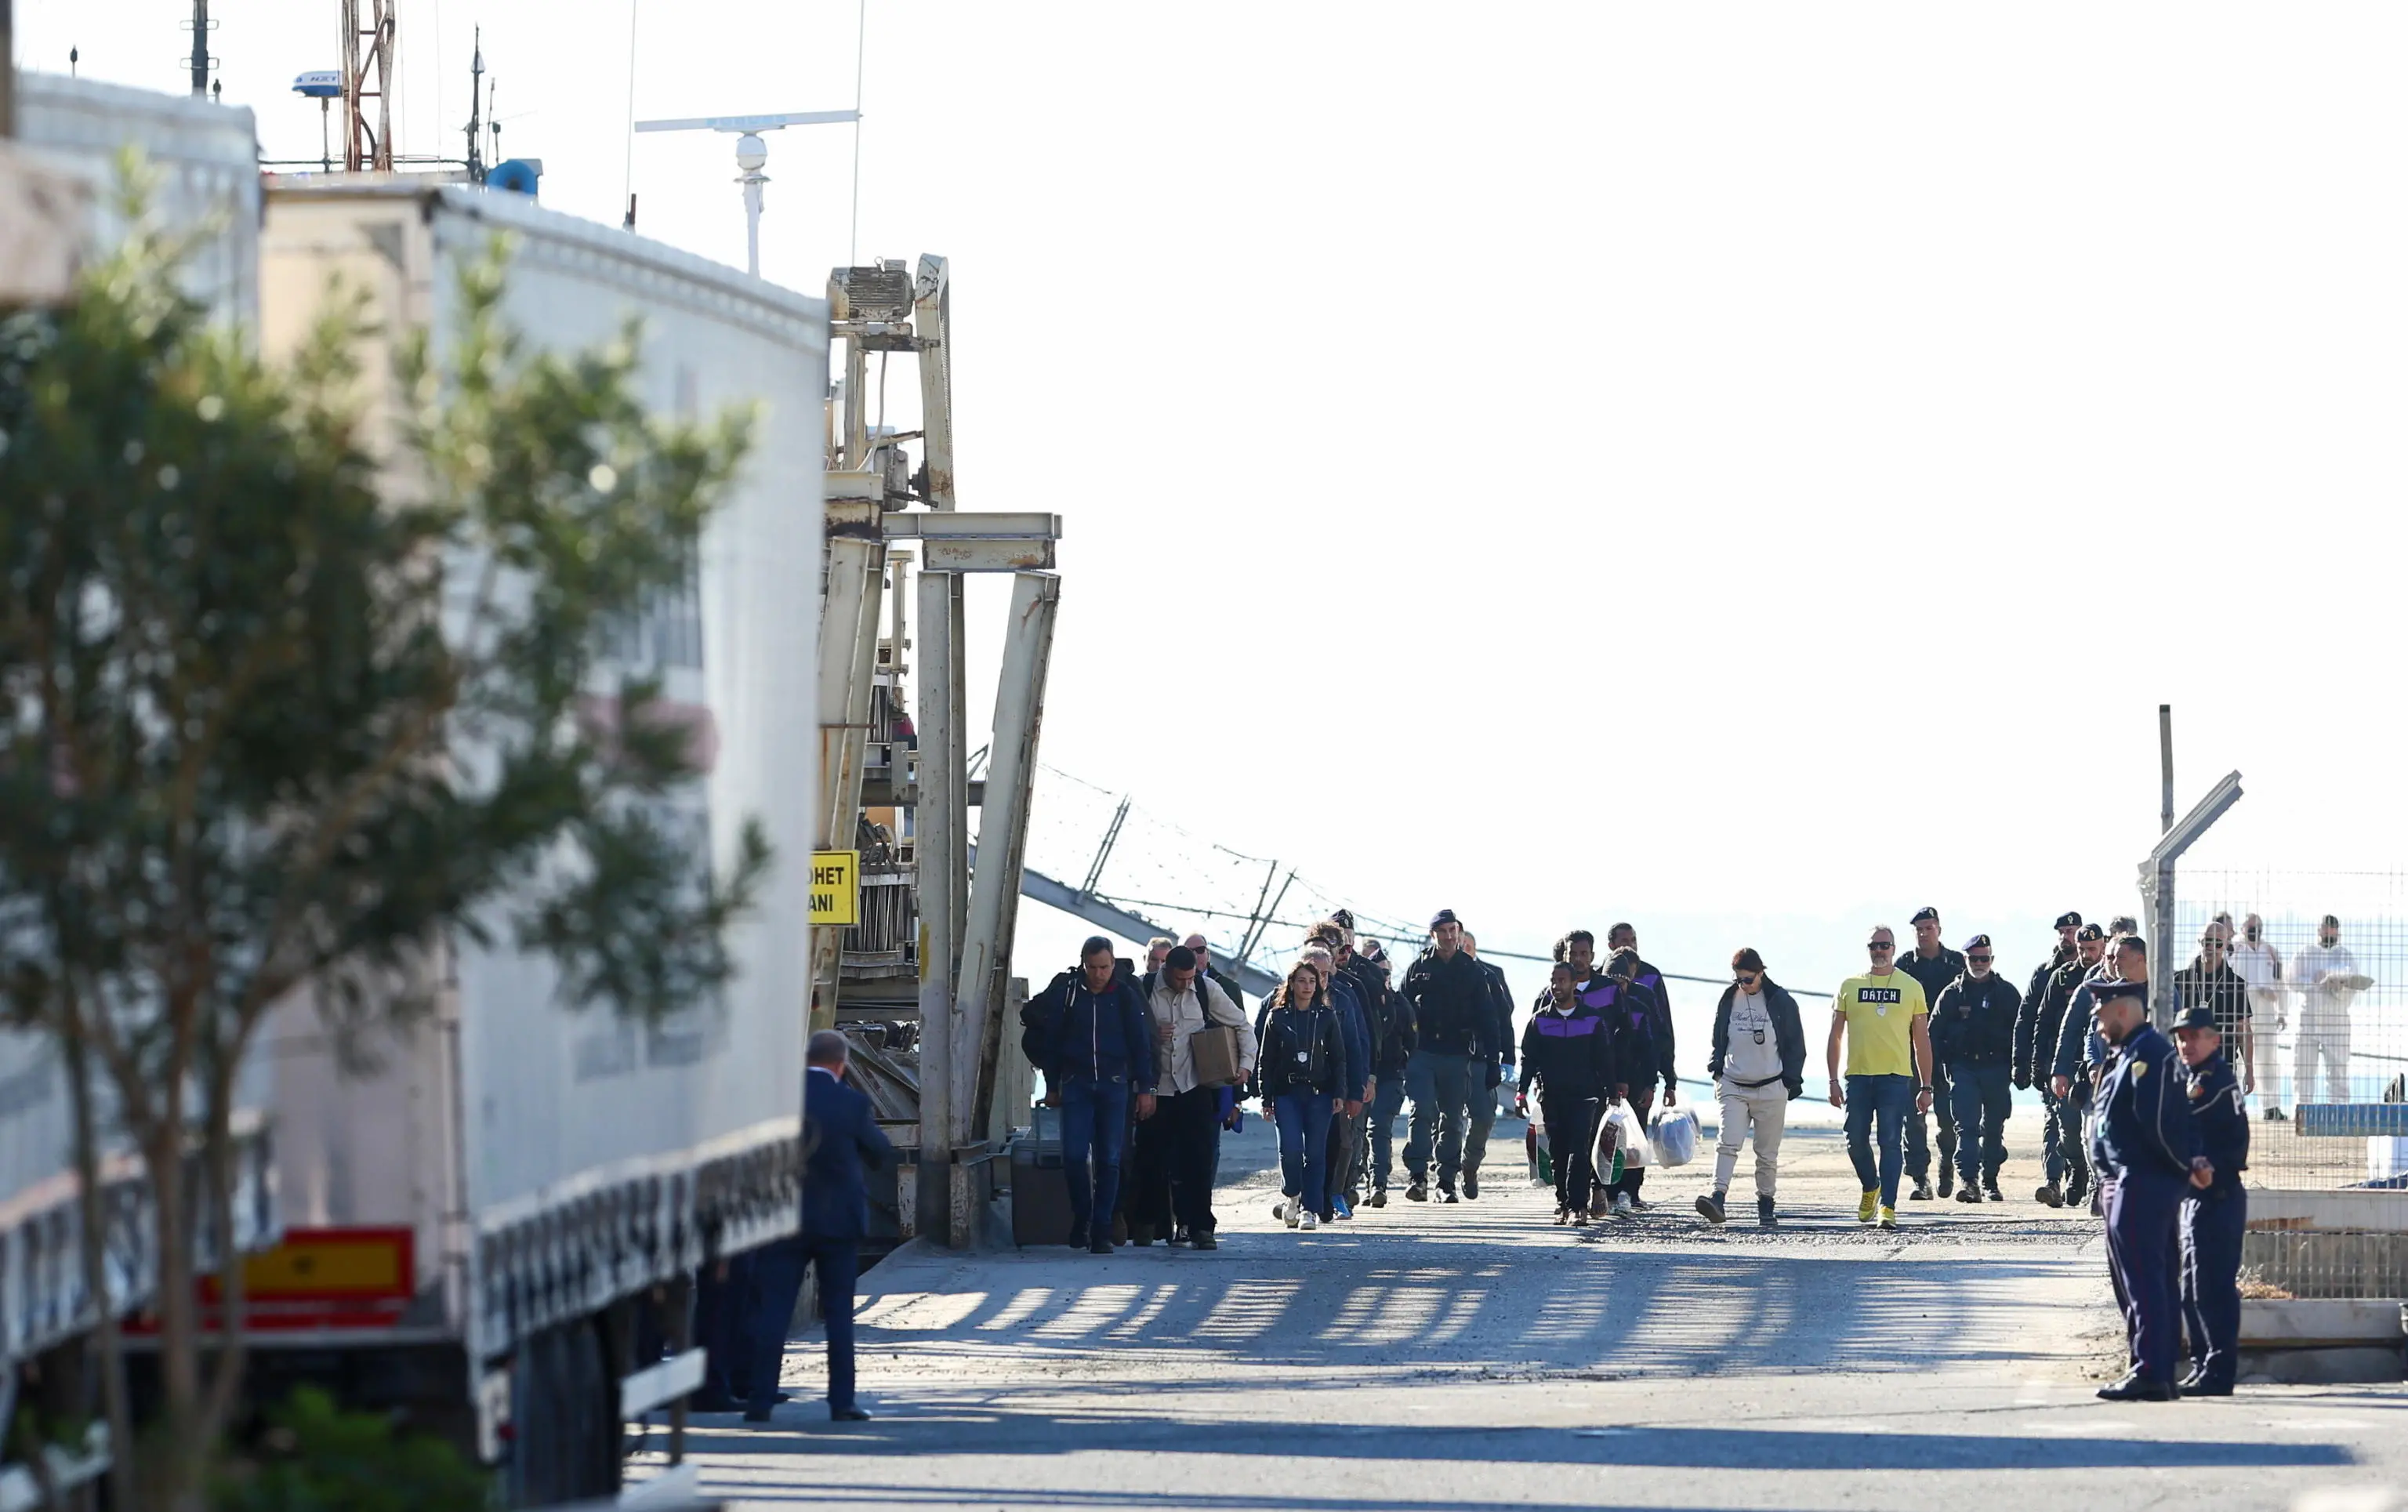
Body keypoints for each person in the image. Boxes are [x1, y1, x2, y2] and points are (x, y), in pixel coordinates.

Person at [742, 1030, 894, 1423]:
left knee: (774, 1312)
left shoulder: (777, 1105)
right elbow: (881, 1155)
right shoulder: (852, 1104)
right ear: (841, 1065)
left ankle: (759, 1401)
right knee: (839, 1314)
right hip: (838, 1223)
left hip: (784, 1219)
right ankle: (841, 1402)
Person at [2089, 979, 2213, 1401]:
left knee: (2146, 1282)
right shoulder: (2129, 1053)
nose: (2100, 1027)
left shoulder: (2149, 1055)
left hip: (2141, 1181)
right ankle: (2154, 1370)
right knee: (2146, 1281)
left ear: (2122, 1011)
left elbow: (2160, 1124)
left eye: (2103, 1017)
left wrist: (2184, 1166)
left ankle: (2152, 1370)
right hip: (2131, 1180)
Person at [1024, 936, 1159, 1254]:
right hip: (1077, 1085)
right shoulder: (1069, 995)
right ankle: (1082, 1216)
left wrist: (1146, 1088)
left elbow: (1142, 1045)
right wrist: (1053, 1085)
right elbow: (1052, 1043)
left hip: (1115, 1086)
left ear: (1113, 964)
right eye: (1093, 968)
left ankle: (1101, 1228)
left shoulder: (1125, 997)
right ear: (1084, 964)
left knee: (1110, 1160)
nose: (1099, 974)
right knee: (1072, 1157)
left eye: (1105, 967)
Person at [1129, 946, 1256, 1250]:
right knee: (1150, 1159)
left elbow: (1241, 1025)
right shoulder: (1144, 988)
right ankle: (1146, 1224)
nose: (1186, 984)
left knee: (1198, 1160)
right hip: (1156, 1089)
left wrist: (1246, 1065)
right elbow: (1128, 1034)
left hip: (1193, 1085)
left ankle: (1200, 1227)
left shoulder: (1205, 989)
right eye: (1180, 979)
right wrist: (1152, 1034)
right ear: (1166, 972)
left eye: (1191, 978)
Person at [1828, 925, 1934, 1231]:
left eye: (1884, 946)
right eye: (1874, 946)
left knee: (1890, 1141)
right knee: (1855, 1140)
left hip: (1895, 1078)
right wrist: (1833, 1080)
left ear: (1894, 948)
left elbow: (1921, 1040)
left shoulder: (1911, 987)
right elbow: (1835, 1035)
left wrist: (1926, 1086)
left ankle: (1888, 1205)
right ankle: (1870, 1186)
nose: (1879, 951)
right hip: (1858, 1077)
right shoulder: (1850, 985)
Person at [2173, 1003, 2250, 1396]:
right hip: (2198, 1197)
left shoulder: (2210, 1081)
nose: (2186, 1044)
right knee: (2192, 1287)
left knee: (2211, 1288)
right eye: (2181, 1037)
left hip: (2217, 1194)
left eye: (2194, 1036)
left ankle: (2218, 1372)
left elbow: (2189, 1130)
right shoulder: (2197, 1075)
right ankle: (2205, 1365)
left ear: (2215, 1040)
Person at [1700, 948, 1805, 1228]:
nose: (1743, 985)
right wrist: (1717, 1072)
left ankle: (1766, 1203)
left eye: (1748, 979)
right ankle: (1717, 1197)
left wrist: (1789, 1082)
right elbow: (1718, 1037)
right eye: (1738, 980)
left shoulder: (1781, 1001)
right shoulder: (1729, 998)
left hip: (1771, 1086)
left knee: (1767, 1152)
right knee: (1727, 1143)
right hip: (1734, 1084)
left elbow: (1796, 1045)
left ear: (1761, 973)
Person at [1399, 909, 1495, 1203]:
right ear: (1433, 935)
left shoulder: (1472, 971)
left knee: (1453, 1118)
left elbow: (1488, 1018)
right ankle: (1417, 1176)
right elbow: (1401, 1010)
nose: (1449, 936)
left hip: (1457, 1054)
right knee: (1422, 1110)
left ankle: (1446, 1181)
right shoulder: (1418, 968)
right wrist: (1403, 1050)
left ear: (1459, 933)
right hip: (1423, 1052)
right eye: (1443, 931)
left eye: (1453, 930)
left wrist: (1493, 1061)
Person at [1519, 960, 1618, 1224]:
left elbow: (1604, 1059)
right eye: (1553, 981)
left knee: (1579, 1150)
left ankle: (1579, 1207)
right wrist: (1521, 1092)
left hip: (1586, 1097)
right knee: (1558, 1152)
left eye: (1562, 981)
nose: (1556, 986)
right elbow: (1529, 1059)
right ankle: (1563, 1203)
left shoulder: (1592, 1019)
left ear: (1574, 984)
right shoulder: (1540, 1021)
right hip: (1552, 1096)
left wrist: (1613, 1092)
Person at [1257, 958, 1344, 1231]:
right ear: (1291, 984)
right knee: (1291, 1150)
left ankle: (1310, 1209)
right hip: (1287, 1093)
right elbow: (1266, 1060)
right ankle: (1291, 1195)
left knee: (1316, 1153)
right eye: (1302, 981)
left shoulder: (1327, 1017)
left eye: (1312, 981)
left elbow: (1339, 1058)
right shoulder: (1277, 1017)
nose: (1307, 986)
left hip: (1320, 1093)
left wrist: (1340, 1091)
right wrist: (1265, 1096)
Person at [1931, 934, 2018, 1203]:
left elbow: (2022, 1032)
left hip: (1997, 1069)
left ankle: (1990, 1180)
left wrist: (2021, 1068)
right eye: (1973, 958)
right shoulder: (1952, 994)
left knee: (1994, 1127)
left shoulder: (2006, 993)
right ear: (1965, 959)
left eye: (1984, 958)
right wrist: (1939, 1069)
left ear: (1992, 960)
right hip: (1964, 1068)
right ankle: (1969, 1181)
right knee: (1966, 1127)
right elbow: (1934, 1034)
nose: (1979, 963)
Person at [2026, 923, 2108, 1207]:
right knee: (2066, 1126)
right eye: (2083, 949)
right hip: (2068, 1064)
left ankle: (2092, 1181)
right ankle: (2078, 1169)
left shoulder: (2113, 979)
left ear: (2104, 946)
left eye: (2092, 949)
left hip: (2097, 1064)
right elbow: (2045, 1023)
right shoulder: (2062, 978)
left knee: (2094, 1126)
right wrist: (2039, 1064)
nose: (2086, 955)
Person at [1592, 947, 1673, 1213]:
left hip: (1636, 1082)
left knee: (1634, 1140)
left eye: (1620, 982)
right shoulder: (1593, 1005)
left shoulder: (1640, 1005)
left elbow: (1652, 1047)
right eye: (1610, 982)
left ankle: (1631, 1191)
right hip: (1603, 1079)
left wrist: (1653, 1084)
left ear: (1628, 981)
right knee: (1605, 1138)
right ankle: (1606, 1191)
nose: (1616, 987)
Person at [1895, 907, 1967, 1200]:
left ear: (1939, 929)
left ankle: (1947, 1163)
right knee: (1912, 1117)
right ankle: (1919, 1178)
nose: (1924, 933)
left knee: (1950, 1118)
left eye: (1929, 928)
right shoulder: (1904, 965)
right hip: (1910, 1050)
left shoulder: (1956, 963)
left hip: (1947, 1051)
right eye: (1919, 929)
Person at [1298, 937, 1369, 1220]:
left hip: (1333, 1085)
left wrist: (1357, 1088)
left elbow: (1356, 1045)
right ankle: (1299, 1197)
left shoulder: (1344, 999)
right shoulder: (1282, 1000)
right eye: (1315, 974)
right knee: (1298, 1145)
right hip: (1296, 1086)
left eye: (1326, 974)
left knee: (1336, 1142)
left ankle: (1327, 1196)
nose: (1320, 980)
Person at [1354, 937, 1416, 1207]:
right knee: (1357, 1132)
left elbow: (1413, 1042)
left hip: (1390, 1077)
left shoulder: (1401, 1005)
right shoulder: (1358, 1002)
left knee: (1379, 1129)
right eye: (1376, 971)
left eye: (1387, 972)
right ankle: (1359, 1181)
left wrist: (1402, 1061)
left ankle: (1378, 1183)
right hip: (1360, 1076)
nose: (1382, 977)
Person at [1460, 930, 1518, 1200]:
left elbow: (1504, 1017)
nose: (1463, 949)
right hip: (1448, 1058)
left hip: (1483, 1058)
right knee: (1444, 1119)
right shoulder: (1437, 973)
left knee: (1483, 1117)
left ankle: (1469, 1165)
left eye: (1467, 946)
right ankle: (1444, 1177)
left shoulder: (1490, 975)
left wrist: (1507, 1057)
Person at [2172, 927, 2254, 1106]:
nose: (2211, 947)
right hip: (2184, 1061)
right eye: (2206, 941)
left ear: (2225, 945)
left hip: (2223, 1061)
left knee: (2220, 1117)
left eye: (2217, 943)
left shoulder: (2235, 983)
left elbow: (2244, 1029)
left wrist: (2249, 1070)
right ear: (2199, 942)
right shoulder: (2180, 980)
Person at [2291, 915, 2365, 1106]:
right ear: (2319, 930)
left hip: (2337, 1020)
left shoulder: (2345, 955)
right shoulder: (2306, 953)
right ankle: (2303, 1112)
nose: (2329, 933)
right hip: (2309, 1018)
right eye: (2326, 929)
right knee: (2304, 1068)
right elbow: (2291, 980)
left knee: (2338, 1068)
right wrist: (2313, 982)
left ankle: (2339, 1112)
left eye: (2333, 930)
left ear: (2338, 933)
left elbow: (2354, 980)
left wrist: (2335, 979)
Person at [2228, 913, 2287, 1120]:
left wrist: (2283, 1012)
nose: (2255, 929)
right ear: (2243, 927)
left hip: (2266, 1012)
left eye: (2259, 926)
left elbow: (2281, 983)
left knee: (2269, 1060)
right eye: (2251, 926)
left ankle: (2271, 1106)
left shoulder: (2270, 951)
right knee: (2241, 1059)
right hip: (2243, 1011)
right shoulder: (2235, 948)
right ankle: (2236, 1105)